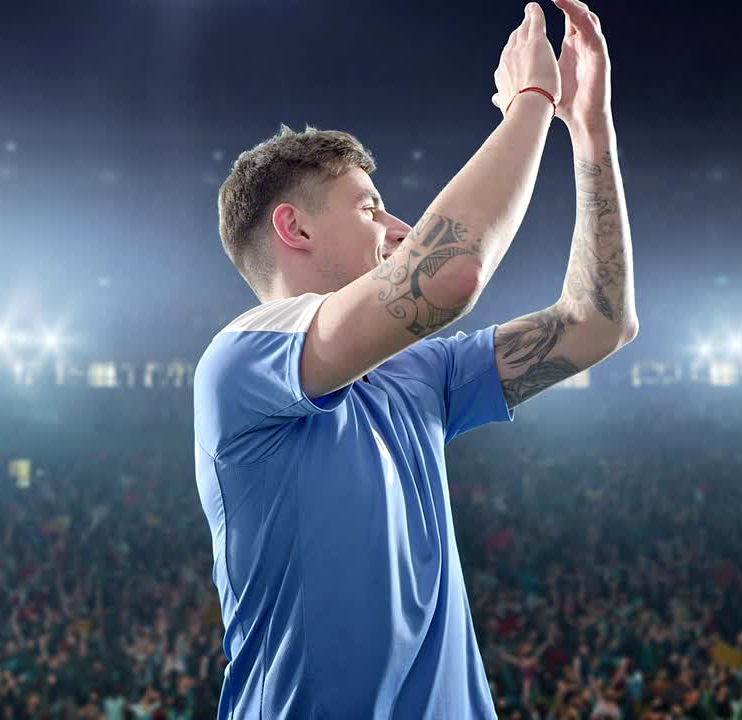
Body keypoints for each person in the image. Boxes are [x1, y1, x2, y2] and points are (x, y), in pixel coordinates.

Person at [193, 0, 636, 716]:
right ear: (293, 226)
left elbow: (598, 323)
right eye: (371, 208)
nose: (399, 229)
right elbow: (448, 275)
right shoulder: (241, 361)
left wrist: (590, 135)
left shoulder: (419, 373)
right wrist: (531, 101)